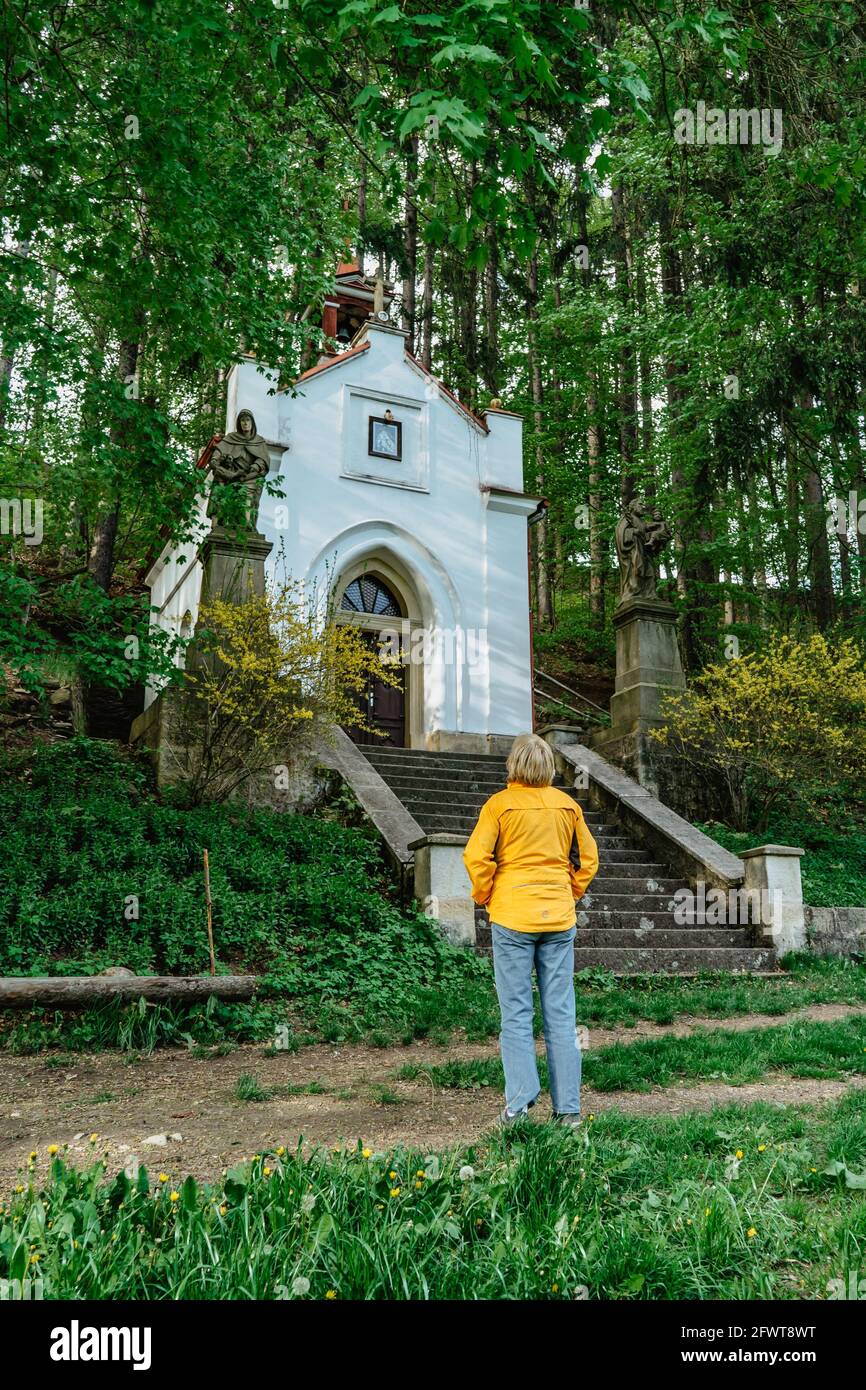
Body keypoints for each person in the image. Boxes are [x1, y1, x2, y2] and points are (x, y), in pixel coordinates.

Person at [463, 732, 599, 1129]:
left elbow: (476, 856)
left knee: (517, 1013)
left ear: (515, 766)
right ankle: (569, 1112)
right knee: (561, 1013)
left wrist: (486, 894)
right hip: (558, 918)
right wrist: (570, 889)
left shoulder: (499, 806)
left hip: (512, 917)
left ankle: (519, 1108)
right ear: (549, 768)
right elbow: (589, 859)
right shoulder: (567, 805)